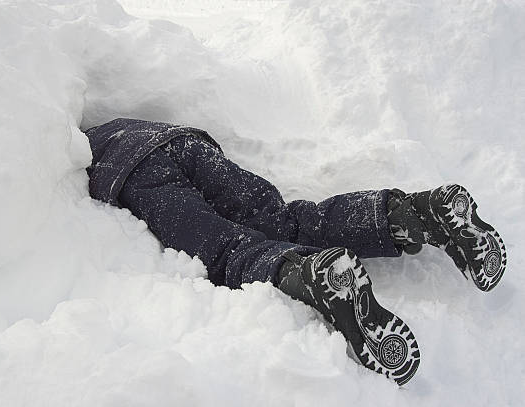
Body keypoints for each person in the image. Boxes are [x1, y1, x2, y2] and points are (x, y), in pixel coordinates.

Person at [84, 117, 507, 385]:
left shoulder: (69, 150)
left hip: (133, 174)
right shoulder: (113, 119)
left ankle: (309, 273)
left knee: (227, 251)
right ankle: (415, 213)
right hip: (183, 142)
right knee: (286, 219)